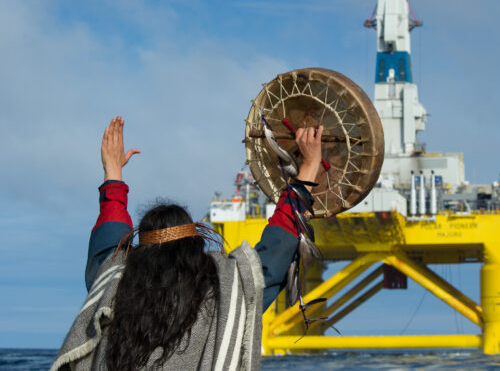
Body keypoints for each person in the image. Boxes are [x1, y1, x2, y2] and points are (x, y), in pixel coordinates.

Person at [52, 116, 324, 370]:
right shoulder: (222, 300)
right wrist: (309, 169)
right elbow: (271, 261)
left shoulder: (112, 291)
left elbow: (108, 246)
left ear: (139, 253)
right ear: (194, 250)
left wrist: (113, 174)